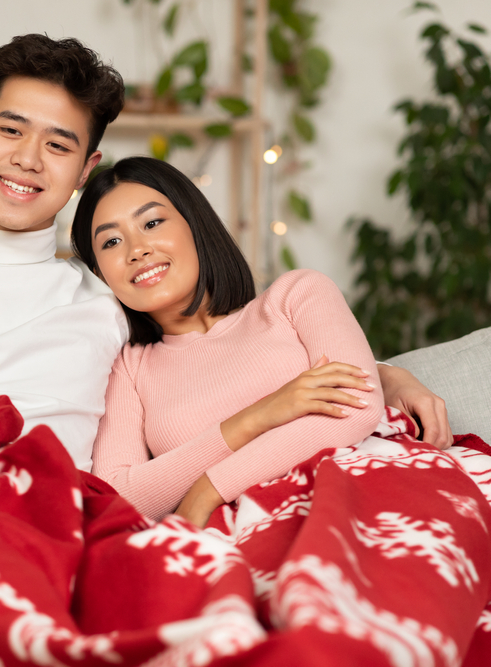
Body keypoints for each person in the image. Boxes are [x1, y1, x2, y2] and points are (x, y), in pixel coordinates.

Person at [0, 35, 452, 473]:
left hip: (43, 533)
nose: (26, 158)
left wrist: (387, 375)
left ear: (85, 168)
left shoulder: (106, 297)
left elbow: (234, 345)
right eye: (10, 129)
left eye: (57, 143)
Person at [72, 156, 420, 526]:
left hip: (367, 501)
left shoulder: (296, 295)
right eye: (111, 241)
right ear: (100, 273)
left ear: (195, 224)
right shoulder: (127, 367)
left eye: (152, 222)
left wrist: (209, 488)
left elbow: (357, 406)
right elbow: (118, 496)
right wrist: (258, 416)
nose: (136, 250)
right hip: (243, 540)